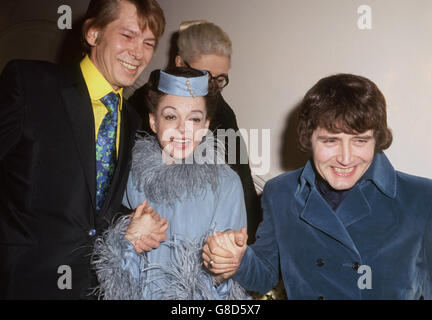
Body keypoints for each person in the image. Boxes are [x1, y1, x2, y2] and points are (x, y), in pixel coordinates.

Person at [202, 73, 432, 300]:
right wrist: (238, 260)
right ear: (309, 137)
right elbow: (265, 276)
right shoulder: (281, 193)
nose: (345, 157)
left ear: (376, 139)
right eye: (330, 140)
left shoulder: (421, 198)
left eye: (360, 140)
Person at [0, 0, 166, 299]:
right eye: (127, 36)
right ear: (93, 33)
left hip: (90, 288)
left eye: (148, 43)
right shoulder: (30, 83)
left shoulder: (131, 118)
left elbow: (94, 203)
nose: (139, 53)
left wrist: (131, 221)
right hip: (19, 283)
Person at [92, 67, 249, 300]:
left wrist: (223, 267)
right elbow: (105, 267)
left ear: (206, 125)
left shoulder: (226, 185)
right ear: (154, 122)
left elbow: (221, 286)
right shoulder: (129, 173)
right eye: (171, 116)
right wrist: (130, 240)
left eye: (194, 119)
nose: (183, 129)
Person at [129, 20, 261, 243]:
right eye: (206, 76)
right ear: (179, 62)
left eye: (221, 79)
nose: (214, 89)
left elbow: (243, 185)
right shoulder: (140, 103)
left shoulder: (223, 114)